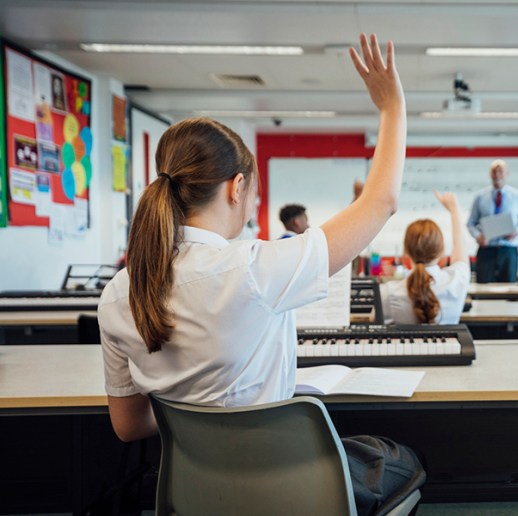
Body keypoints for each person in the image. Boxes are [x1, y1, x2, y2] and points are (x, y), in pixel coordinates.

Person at [97, 34, 424, 515]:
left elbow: (129, 426)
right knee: (400, 456)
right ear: (237, 188)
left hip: (196, 495)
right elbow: (381, 202)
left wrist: (194, 405)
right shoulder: (253, 268)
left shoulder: (120, 291)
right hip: (290, 495)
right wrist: (393, 107)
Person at [379, 191, 469, 324]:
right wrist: (454, 210)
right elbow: (460, 250)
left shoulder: (387, 293)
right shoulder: (457, 280)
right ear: (441, 252)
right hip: (448, 346)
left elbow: (373, 323)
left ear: (406, 253)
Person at [467, 159, 518, 283]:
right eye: (494, 171)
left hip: (508, 250)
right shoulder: (480, 197)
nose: (497, 174)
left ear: (507, 174)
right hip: (486, 250)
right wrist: (478, 236)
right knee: (483, 287)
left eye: (500, 171)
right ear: (490, 174)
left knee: (509, 289)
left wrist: (517, 231)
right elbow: (471, 223)